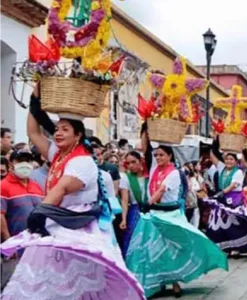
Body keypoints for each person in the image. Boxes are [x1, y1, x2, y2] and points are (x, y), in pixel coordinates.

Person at [0, 88, 144, 298]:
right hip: (55, 222)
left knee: (77, 285)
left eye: (65, 129)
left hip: (77, 228)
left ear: (78, 135)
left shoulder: (82, 161)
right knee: (50, 284)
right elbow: (33, 132)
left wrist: (39, 213)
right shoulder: (58, 154)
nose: (58, 133)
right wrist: (34, 98)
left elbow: (62, 188)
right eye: (56, 129)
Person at [125, 124, 227, 298]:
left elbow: (161, 191)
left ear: (170, 156)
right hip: (154, 215)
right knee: (150, 250)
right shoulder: (154, 170)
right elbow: (145, 149)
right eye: (156, 155)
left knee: (171, 249)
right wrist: (146, 127)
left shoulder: (173, 173)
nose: (158, 158)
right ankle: (154, 285)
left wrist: (148, 203)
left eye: (161, 155)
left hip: (170, 215)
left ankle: (175, 283)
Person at [204, 138, 247, 258]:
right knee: (219, 225)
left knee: (235, 225)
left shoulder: (238, 172)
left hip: (234, 202)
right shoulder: (222, 168)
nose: (228, 161)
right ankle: (225, 247)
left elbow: (233, 186)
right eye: (227, 159)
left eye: (231, 159)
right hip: (222, 201)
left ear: (235, 162)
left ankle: (237, 248)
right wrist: (215, 143)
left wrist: (221, 192)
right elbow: (213, 157)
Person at [0, 150, 43, 241]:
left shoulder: (36, 186)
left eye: (27, 161)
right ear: (10, 164)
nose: (24, 164)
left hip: (36, 242)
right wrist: (8, 243)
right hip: (15, 242)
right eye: (20, 161)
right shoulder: (2, 186)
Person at [117, 151, 147, 258]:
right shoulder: (126, 177)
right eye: (128, 163)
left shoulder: (150, 176)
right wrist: (124, 219)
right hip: (135, 211)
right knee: (133, 239)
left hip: (151, 210)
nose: (131, 166)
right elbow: (125, 200)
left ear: (141, 161)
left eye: (134, 162)